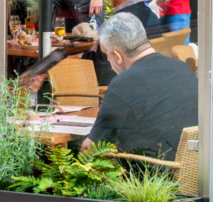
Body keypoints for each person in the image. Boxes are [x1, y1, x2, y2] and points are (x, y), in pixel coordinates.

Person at [83, 13, 198, 159]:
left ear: (118, 56)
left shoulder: (123, 83)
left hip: (147, 176)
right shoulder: (182, 67)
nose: (110, 66)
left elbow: (92, 148)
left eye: (107, 56)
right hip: (192, 169)